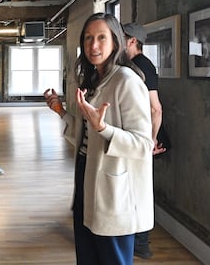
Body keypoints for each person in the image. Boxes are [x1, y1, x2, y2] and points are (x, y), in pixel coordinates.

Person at [43, 13, 153, 265]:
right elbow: (87, 137)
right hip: (86, 176)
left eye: (101, 38)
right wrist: (61, 112)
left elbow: (143, 145)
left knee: (112, 259)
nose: (93, 45)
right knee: (88, 257)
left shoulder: (127, 81)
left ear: (116, 41)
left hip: (115, 190)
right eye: (88, 38)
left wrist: (103, 128)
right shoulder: (96, 79)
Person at [123, 22, 166, 259]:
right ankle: (136, 241)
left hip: (141, 138)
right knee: (133, 188)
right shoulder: (132, 65)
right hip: (134, 135)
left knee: (140, 190)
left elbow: (155, 108)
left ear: (131, 41)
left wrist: (150, 140)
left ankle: (141, 244)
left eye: (121, 36)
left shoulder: (142, 67)